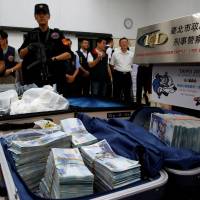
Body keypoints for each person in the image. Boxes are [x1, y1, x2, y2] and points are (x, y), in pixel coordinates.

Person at [18, 3, 71, 87]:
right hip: (34, 80)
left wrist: (53, 59)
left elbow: (68, 54)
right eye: (39, 14)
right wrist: (29, 47)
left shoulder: (57, 34)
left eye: (44, 14)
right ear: (35, 17)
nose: (41, 16)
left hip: (54, 78)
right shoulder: (31, 35)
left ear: (49, 16)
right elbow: (21, 55)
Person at [110, 37, 134, 103]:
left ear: (128, 43)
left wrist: (125, 69)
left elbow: (132, 65)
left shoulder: (131, 54)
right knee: (116, 93)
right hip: (118, 75)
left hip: (127, 76)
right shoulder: (115, 54)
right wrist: (117, 71)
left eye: (125, 42)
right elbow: (111, 65)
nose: (124, 44)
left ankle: (127, 109)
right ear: (119, 44)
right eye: (122, 42)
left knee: (127, 93)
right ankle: (115, 108)